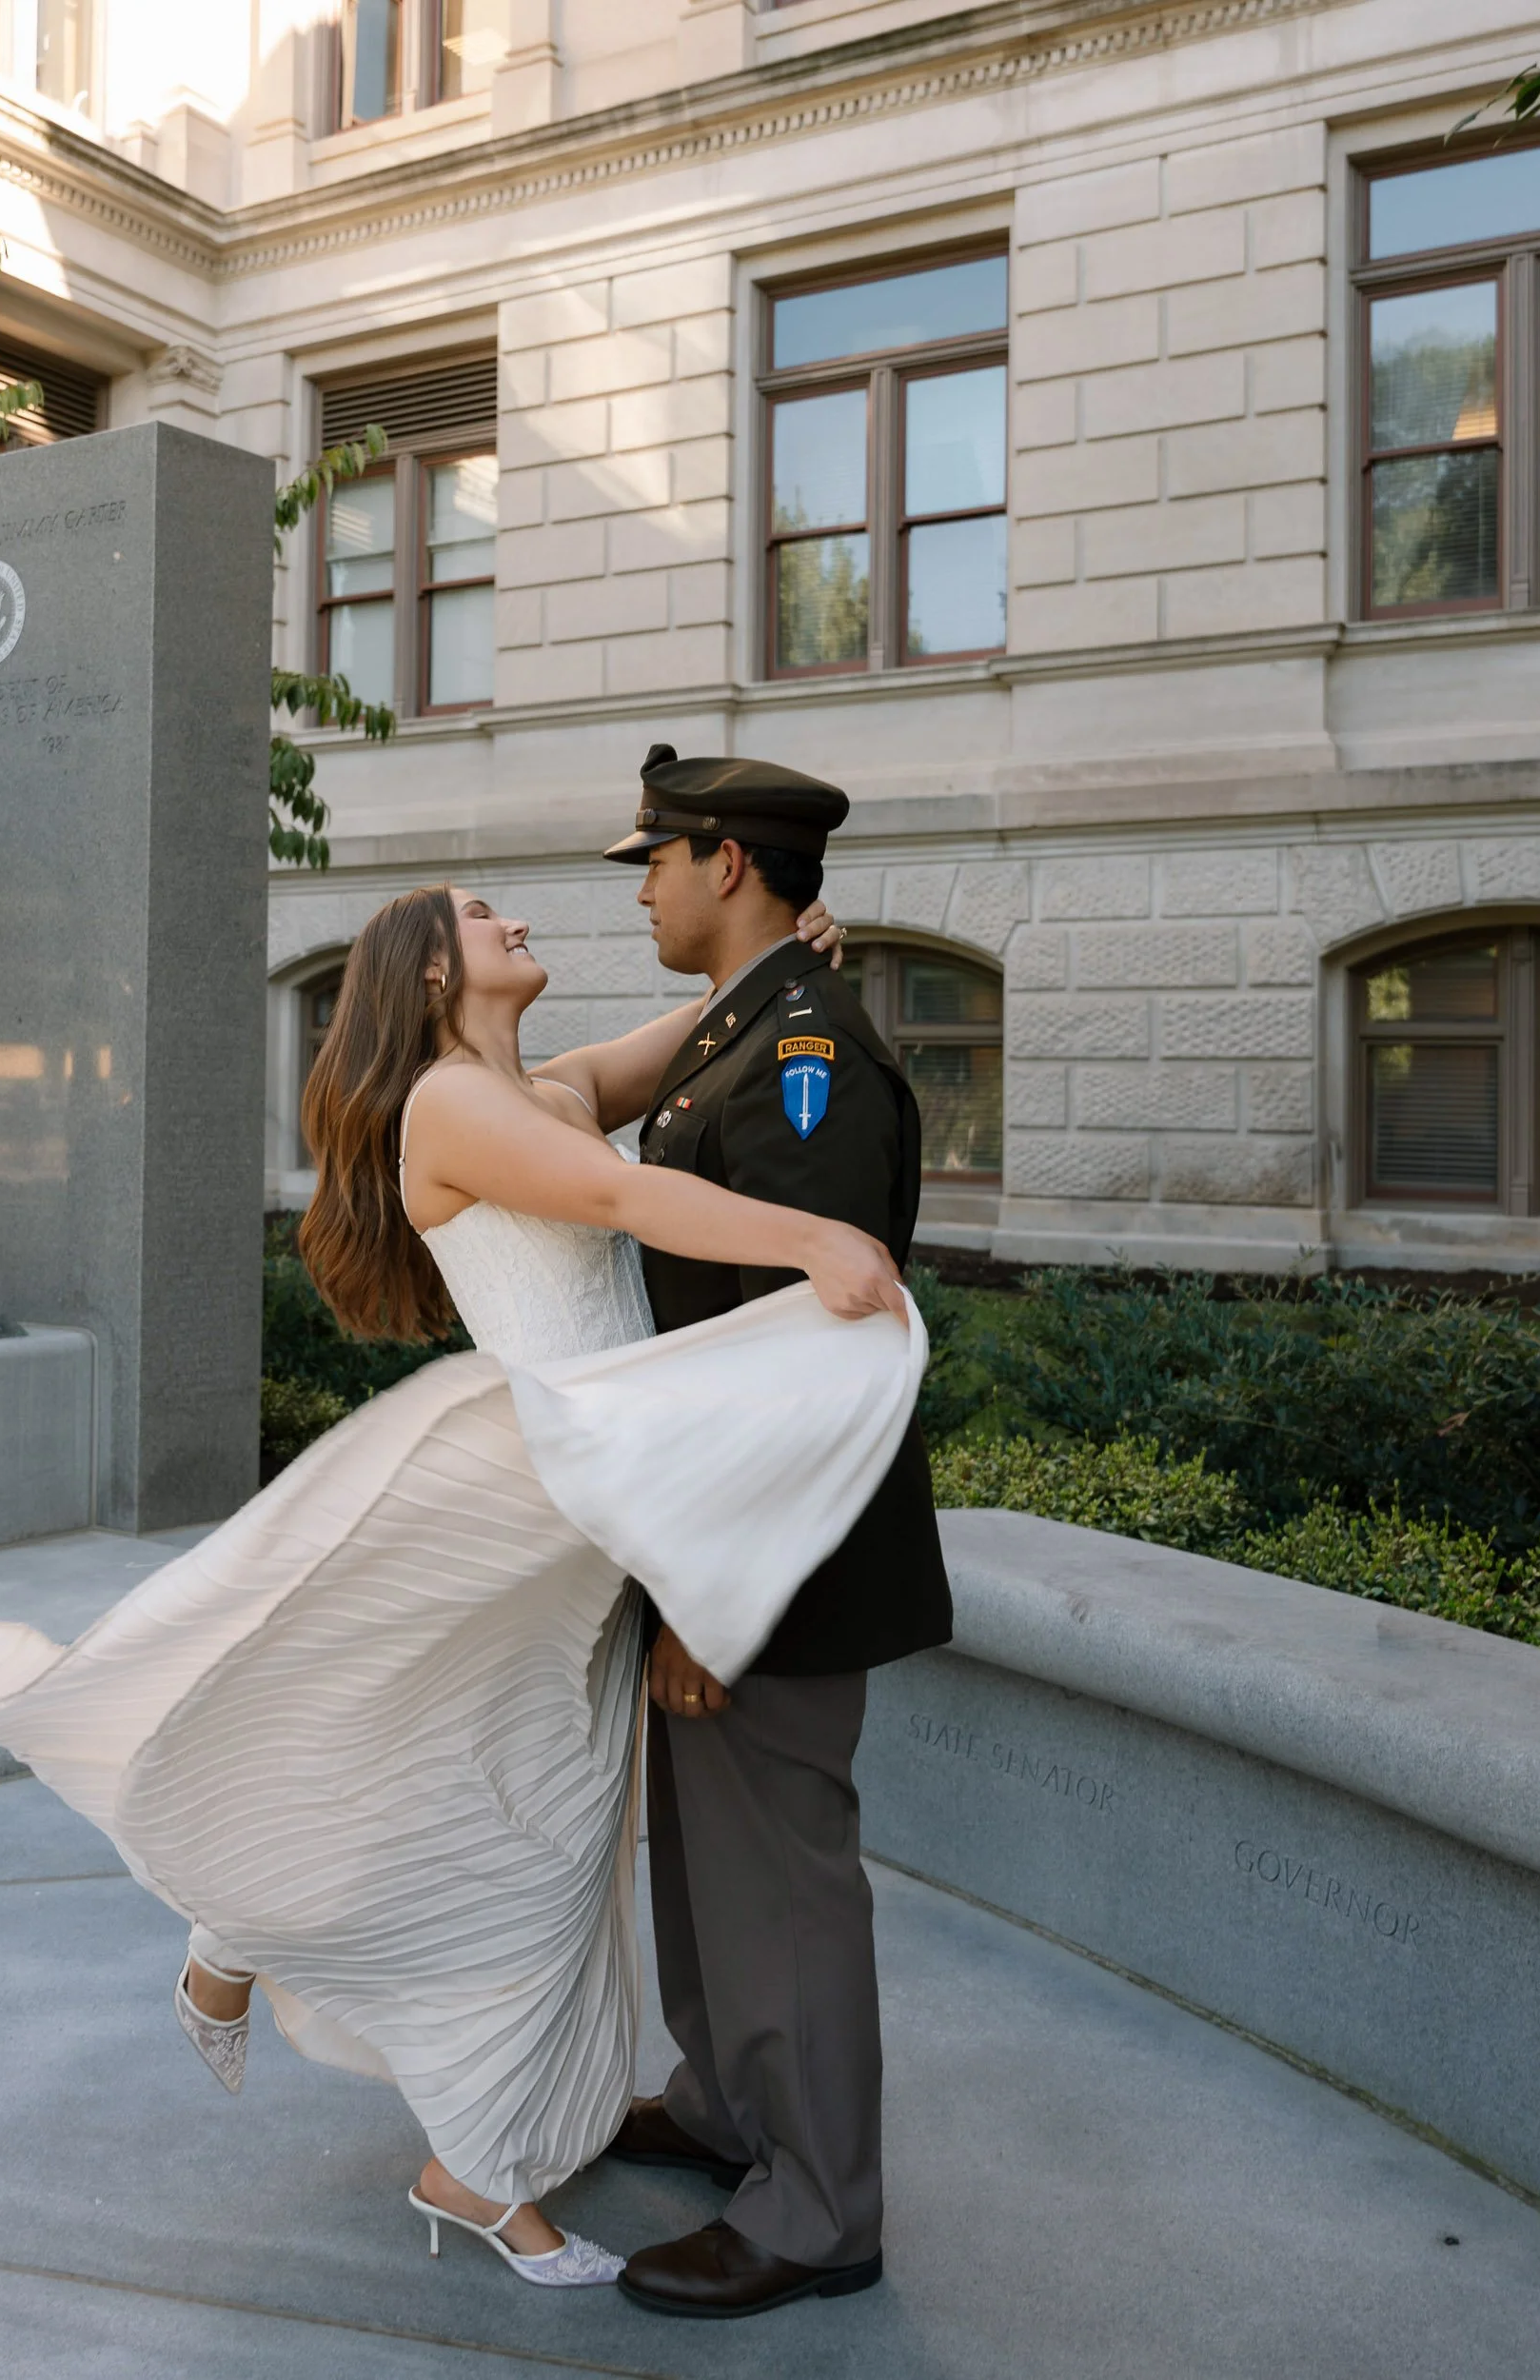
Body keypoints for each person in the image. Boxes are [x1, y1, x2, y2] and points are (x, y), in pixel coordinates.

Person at [0, 848, 923, 2291]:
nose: (516, 918)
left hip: (597, 1516)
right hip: (529, 1488)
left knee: (514, 1807)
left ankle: (350, 2036)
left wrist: (797, 952)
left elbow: (708, 1031)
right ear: (435, 972)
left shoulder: (552, 1085)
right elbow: (624, 1206)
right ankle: (449, 2135)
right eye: (481, 915)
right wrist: (818, 1239)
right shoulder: (452, 1107)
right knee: (463, 1786)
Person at [601, 744, 953, 2320]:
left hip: (776, 1555)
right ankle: (732, 2108)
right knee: (712, 1865)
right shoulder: (745, 1034)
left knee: (785, 1875)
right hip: (717, 1535)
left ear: (728, 864)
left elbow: (806, 1352)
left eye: (658, 861)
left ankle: (816, 2212)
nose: (649, 886)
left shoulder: (802, 1058)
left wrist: (712, 1596)